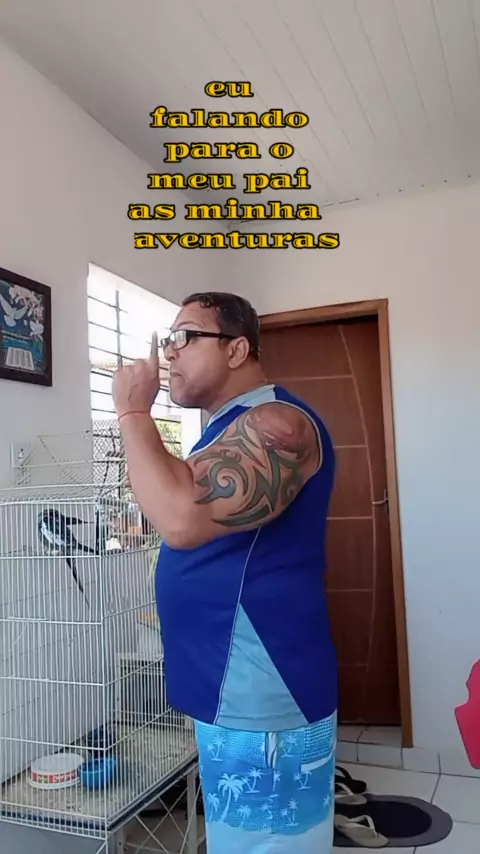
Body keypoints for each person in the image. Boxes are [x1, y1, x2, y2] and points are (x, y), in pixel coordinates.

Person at [112, 292, 338, 854]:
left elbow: (181, 519)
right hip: (232, 686)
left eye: (185, 336)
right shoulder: (224, 429)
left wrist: (133, 412)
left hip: (264, 689)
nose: (169, 352)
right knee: (241, 840)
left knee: (267, 844)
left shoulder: (278, 424)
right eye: (169, 340)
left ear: (237, 350)